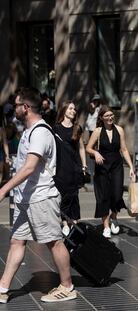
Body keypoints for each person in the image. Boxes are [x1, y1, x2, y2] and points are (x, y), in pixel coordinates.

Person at [0, 87, 76, 303]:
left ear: (26, 107)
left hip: (42, 198)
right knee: (17, 241)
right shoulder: (28, 131)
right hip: (26, 199)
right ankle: (3, 288)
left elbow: (29, 167)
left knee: (54, 242)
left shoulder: (41, 132)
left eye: (16, 105)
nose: (13, 109)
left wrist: (4, 188)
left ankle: (67, 286)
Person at [86, 106, 135, 238]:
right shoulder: (97, 131)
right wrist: (95, 152)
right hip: (102, 167)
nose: (110, 118)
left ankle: (114, 217)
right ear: (101, 118)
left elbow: (124, 149)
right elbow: (88, 148)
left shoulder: (119, 130)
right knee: (103, 197)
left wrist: (131, 167)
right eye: (107, 116)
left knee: (117, 194)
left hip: (117, 166)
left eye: (111, 115)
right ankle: (106, 226)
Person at [53, 100, 87, 236]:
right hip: (61, 167)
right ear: (64, 110)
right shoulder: (55, 128)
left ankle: (74, 221)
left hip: (74, 167)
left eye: (74, 109)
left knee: (74, 196)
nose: (73, 111)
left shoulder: (77, 128)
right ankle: (65, 222)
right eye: (70, 108)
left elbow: (81, 148)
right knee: (63, 196)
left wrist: (84, 166)